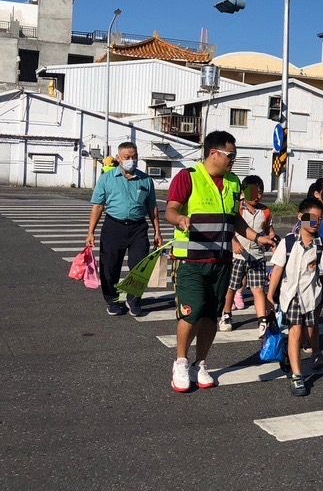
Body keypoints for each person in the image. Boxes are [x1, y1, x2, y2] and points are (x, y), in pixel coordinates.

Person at [166, 131, 276, 393]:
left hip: (221, 260)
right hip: (191, 260)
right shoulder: (188, 177)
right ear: (214, 153)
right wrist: (179, 219)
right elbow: (171, 209)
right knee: (191, 314)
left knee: (211, 318)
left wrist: (257, 237)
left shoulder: (233, 182)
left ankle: (200, 363)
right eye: (231, 155)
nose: (233, 160)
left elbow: (234, 220)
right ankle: (180, 362)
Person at [267, 197, 323, 397]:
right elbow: (278, 268)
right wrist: (270, 293)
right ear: (301, 217)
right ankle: (297, 376)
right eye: (311, 218)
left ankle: (304, 354)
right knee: (295, 331)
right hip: (291, 295)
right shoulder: (288, 242)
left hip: (311, 294)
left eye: (319, 219)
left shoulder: (321, 244)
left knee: (310, 328)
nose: (315, 223)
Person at [86, 142, 162, 317]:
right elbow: (98, 206)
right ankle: (112, 301)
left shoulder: (146, 180)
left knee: (139, 266)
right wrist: (90, 232)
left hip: (138, 228)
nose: (131, 160)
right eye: (127, 157)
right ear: (119, 158)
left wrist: (157, 232)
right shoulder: (107, 178)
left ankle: (134, 300)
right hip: (113, 226)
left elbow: (153, 208)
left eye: (134, 156)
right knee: (110, 266)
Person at [218, 175, 277, 336]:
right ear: (244, 192)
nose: (257, 196)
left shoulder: (265, 211)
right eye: (253, 192)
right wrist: (234, 242)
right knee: (232, 286)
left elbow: (269, 231)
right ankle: (226, 314)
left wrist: (273, 243)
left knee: (258, 289)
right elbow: (230, 228)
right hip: (238, 256)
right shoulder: (239, 209)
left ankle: (262, 320)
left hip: (257, 255)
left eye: (260, 192)